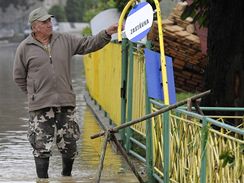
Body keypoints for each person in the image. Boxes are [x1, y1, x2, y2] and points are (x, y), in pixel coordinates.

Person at [13, 7, 118, 179]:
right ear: (34, 27)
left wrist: (107, 33)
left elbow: (88, 44)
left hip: (65, 103)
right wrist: (34, 95)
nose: (49, 24)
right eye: (44, 22)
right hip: (40, 107)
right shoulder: (24, 48)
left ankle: (67, 178)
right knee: (41, 148)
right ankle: (43, 180)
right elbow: (18, 77)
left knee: (69, 145)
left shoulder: (65, 40)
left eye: (49, 21)